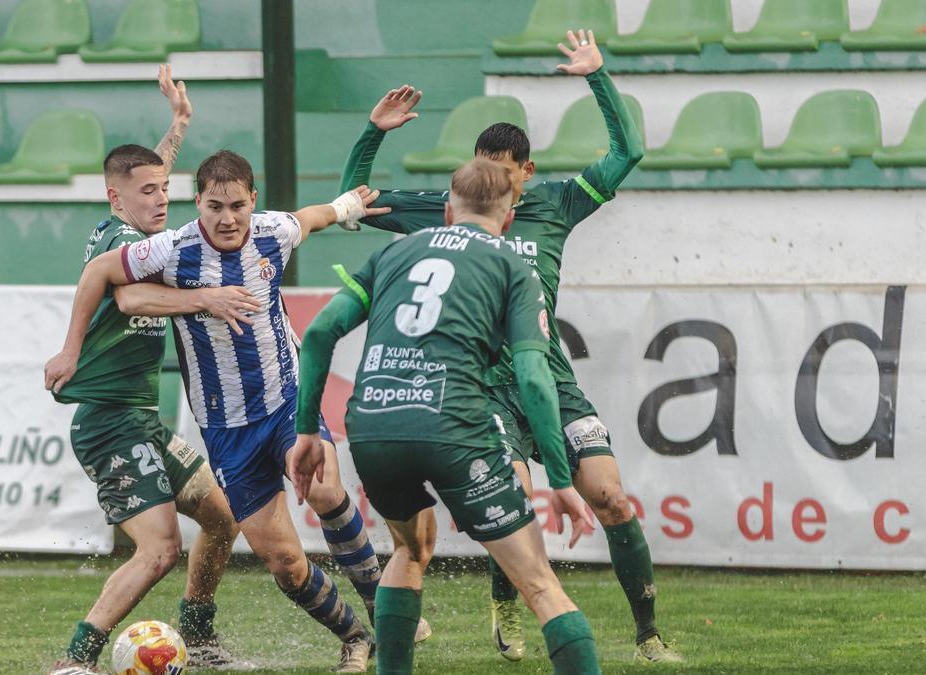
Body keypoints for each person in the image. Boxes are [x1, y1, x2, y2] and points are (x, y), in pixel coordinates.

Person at [337, 30, 681, 664]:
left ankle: (648, 632)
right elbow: (348, 203)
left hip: (548, 376)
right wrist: (373, 132)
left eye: (505, 170)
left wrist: (597, 76)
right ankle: (510, 605)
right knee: (515, 495)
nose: (491, 180)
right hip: (481, 387)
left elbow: (628, 149)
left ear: (526, 173)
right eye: (483, 167)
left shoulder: (556, 204)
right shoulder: (449, 209)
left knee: (609, 494)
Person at [45, 150, 398, 672]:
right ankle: (355, 637)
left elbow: (312, 217)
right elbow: (115, 287)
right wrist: (73, 348)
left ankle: (380, 602)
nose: (228, 217)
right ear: (200, 205)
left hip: (282, 402)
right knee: (278, 561)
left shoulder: (271, 230)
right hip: (206, 427)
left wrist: (347, 204)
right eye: (215, 206)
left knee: (306, 492)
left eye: (238, 206)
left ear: (253, 201)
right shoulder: (165, 248)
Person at [289, 158, 600, 675]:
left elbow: (319, 334)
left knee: (409, 552)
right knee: (541, 585)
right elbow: (534, 376)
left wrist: (306, 432)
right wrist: (563, 480)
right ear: (507, 218)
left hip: (373, 423)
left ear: (448, 211)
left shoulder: (393, 251)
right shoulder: (513, 266)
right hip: (452, 424)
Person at [45, 65, 257, 672]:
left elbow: (144, 173)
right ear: (117, 200)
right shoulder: (117, 243)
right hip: (109, 423)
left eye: (166, 190)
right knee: (160, 548)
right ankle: (77, 660)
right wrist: (204, 299)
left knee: (220, 519)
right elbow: (127, 297)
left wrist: (179, 124)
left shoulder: (139, 224)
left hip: (141, 423)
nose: (161, 199)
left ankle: (201, 633)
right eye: (148, 194)